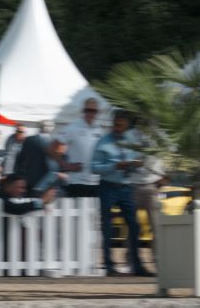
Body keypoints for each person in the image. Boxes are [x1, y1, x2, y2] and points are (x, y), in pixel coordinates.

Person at [92, 111, 148, 277]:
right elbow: (94, 167)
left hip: (126, 186)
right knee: (107, 226)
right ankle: (109, 266)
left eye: (123, 125)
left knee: (134, 225)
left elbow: (138, 158)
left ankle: (137, 266)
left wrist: (136, 164)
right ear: (113, 123)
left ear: (127, 126)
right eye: (117, 124)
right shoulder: (103, 142)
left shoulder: (131, 141)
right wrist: (115, 166)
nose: (119, 128)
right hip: (108, 186)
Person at [57, 98, 106, 202]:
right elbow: (52, 147)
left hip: (96, 182)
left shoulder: (100, 130)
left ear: (97, 113)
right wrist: (65, 165)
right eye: (88, 110)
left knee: (94, 216)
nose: (91, 113)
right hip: (76, 182)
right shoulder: (73, 127)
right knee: (75, 215)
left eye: (94, 111)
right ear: (83, 111)